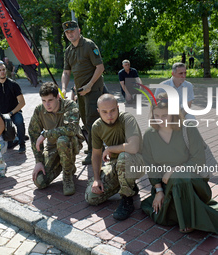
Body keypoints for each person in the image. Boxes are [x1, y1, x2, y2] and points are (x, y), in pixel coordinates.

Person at [141, 93, 218, 234]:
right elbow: (151, 165)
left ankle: (188, 221)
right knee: (158, 209)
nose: (160, 120)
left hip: (193, 183)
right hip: (165, 184)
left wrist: (173, 170)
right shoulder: (149, 134)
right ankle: (186, 214)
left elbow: (198, 161)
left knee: (179, 177)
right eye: (156, 116)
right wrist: (158, 191)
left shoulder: (187, 128)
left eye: (164, 116)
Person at [85, 94, 144, 220]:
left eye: (112, 110)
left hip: (137, 162)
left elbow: (133, 148)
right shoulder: (97, 127)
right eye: (104, 112)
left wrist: (110, 149)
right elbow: (96, 154)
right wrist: (96, 179)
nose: (109, 115)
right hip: (116, 165)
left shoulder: (127, 119)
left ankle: (127, 199)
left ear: (118, 108)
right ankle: (128, 184)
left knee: (123, 157)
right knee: (92, 197)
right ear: (98, 111)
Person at [61, 20, 105, 165]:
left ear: (79, 31)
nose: (70, 34)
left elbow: (100, 67)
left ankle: (94, 151)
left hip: (93, 89)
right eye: (67, 32)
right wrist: (63, 88)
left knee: (91, 120)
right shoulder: (68, 51)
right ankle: (95, 145)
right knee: (85, 121)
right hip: (80, 91)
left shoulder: (89, 45)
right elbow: (66, 73)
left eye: (72, 31)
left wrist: (90, 85)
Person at [28, 82, 83, 195]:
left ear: (58, 97)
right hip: (52, 147)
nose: (47, 104)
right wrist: (39, 161)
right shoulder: (39, 110)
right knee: (40, 182)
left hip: (71, 144)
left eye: (50, 100)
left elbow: (71, 129)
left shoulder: (70, 105)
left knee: (62, 140)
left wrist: (45, 134)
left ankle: (67, 176)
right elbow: (34, 135)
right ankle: (67, 165)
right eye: (43, 101)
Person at [0, 63, 26, 153]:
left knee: (19, 122)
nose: (2, 72)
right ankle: (15, 138)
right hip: (1, 114)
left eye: (3, 70)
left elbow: (22, 102)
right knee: (9, 146)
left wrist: (11, 113)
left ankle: (22, 144)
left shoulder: (13, 84)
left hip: (14, 112)